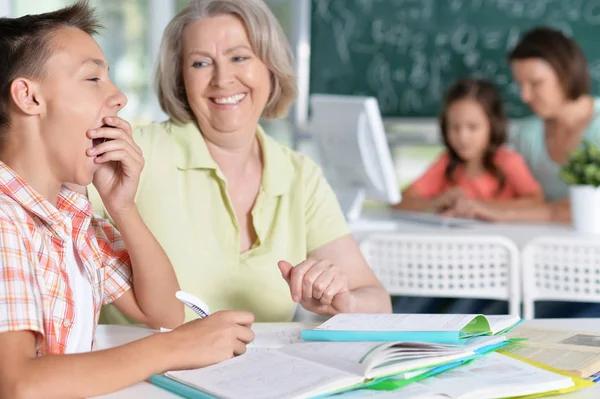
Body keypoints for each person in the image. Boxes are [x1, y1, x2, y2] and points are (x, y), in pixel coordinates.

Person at [0, 3, 254, 397]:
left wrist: (123, 206)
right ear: (29, 97)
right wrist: (176, 347)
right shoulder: (4, 218)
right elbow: (17, 384)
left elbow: (163, 312)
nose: (118, 98)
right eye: (93, 78)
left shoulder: (70, 218)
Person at [89, 0, 392, 325]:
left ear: (270, 67)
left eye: (239, 57)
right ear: (180, 80)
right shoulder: (132, 153)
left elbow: (376, 299)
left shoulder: (299, 175)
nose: (222, 79)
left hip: (262, 374)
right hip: (146, 373)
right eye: (201, 63)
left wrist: (343, 301)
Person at [463, 27, 600, 222]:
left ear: (566, 75)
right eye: (520, 85)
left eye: (536, 84)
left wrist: (505, 212)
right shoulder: (525, 135)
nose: (525, 96)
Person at [394, 78, 543, 219]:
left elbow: (537, 202)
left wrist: (479, 205)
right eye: (455, 127)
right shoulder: (446, 163)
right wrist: (436, 202)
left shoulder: (509, 161)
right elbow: (399, 202)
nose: (462, 137)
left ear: (493, 126)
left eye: (473, 127)